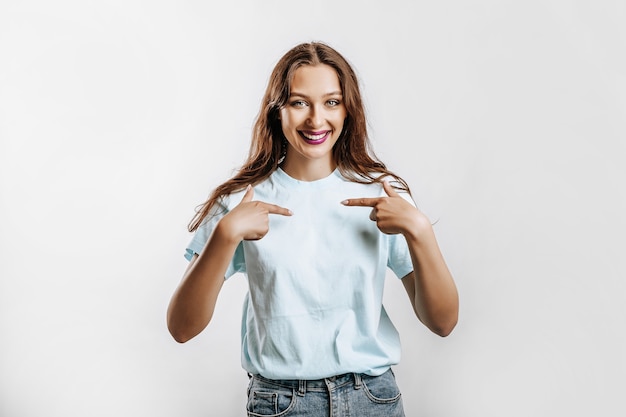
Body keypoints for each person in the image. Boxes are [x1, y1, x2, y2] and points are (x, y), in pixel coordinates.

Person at [167, 41, 459, 417]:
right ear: (277, 110)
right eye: (299, 102)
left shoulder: (381, 194)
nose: (316, 120)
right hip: (281, 403)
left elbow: (443, 322)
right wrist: (225, 235)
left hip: (374, 399)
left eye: (332, 102)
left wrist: (420, 230)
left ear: (348, 109)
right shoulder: (241, 202)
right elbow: (181, 328)